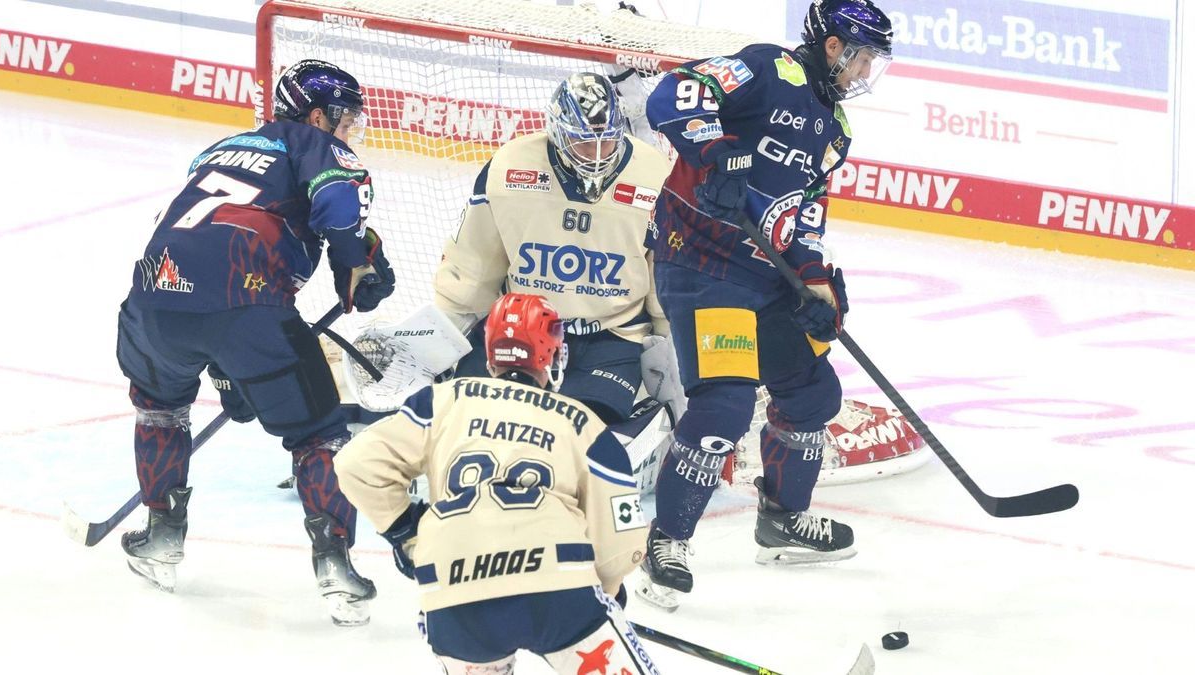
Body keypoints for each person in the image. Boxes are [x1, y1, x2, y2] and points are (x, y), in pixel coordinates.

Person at [114, 59, 395, 626]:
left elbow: (202, 232)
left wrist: (225, 371)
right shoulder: (315, 144)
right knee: (320, 432)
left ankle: (161, 538)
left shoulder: (223, 147)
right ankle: (336, 567)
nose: (350, 133)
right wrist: (354, 269)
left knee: (160, 405)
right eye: (346, 121)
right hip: (245, 300)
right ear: (318, 114)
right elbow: (340, 203)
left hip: (154, 295)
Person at [636, 0, 894, 609]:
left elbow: (805, 220)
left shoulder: (835, 130)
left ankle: (781, 520)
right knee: (724, 406)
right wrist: (712, 151)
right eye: (860, 58)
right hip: (701, 262)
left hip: (764, 275)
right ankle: (666, 542)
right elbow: (674, 93)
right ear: (832, 46)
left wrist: (815, 285)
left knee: (813, 394)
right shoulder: (766, 68)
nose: (863, 73)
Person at [335, 293, 658, 674]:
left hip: (453, 595)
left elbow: (356, 464)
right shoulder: (582, 422)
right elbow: (619, 543)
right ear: (552, 355)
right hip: (556, 588)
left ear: (489, 353)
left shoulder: (442, 401)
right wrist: (605, 592)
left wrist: (407, 532)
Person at [433, 71, 673, 430]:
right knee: (472, 420)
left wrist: (671, 337)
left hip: (613, 338)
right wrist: (445, 333)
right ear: (558, 131)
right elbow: (474, 264)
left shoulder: (655, 174)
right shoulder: (509, 167)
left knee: (581, 433)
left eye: (606, 142)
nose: (595, 155)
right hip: (520, 328)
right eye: (582, 142)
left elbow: (667, 270)